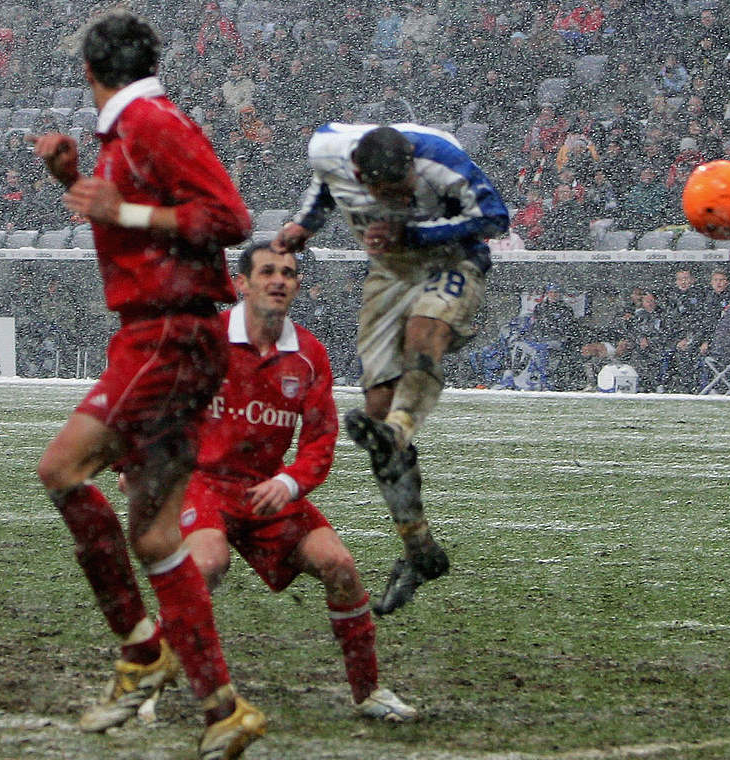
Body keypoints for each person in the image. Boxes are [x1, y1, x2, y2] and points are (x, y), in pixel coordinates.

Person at [30, 11, 265, 758]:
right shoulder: (129, 130)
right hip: (171, 336)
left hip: (167, 334)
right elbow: (138, 226)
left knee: (62, 469)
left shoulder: (151, 121)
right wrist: (76, 182)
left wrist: (119, 204)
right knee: (159, 534)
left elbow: (229, 217)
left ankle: (139, 651)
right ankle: (223, 708)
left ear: (90, 74)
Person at [272, 121, 509, 615]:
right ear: (362, 175)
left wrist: (414, 230)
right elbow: (324, 183)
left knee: (425, 333)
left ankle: (400, 428)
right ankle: (419, 549)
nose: (401, 196)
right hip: (389, 273)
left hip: (452, 260)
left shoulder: (440, 160)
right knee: (377, 408)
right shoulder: (329, 150)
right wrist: (305, 225)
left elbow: (495, 215)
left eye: (406, 187)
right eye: (390, 194)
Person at [178, 242, 418, 722]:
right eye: (267, 271)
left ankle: (368, 692)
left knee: (341, 566)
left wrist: (288, 484)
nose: (279, 280)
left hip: (268, 489)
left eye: (288, 272)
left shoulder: (308, 355)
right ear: (241, 283)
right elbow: (154, 400)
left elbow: (319, 444)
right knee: (205, 566)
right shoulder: (206, 339)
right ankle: (150, 678)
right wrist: (129, 466)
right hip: (205, 483)